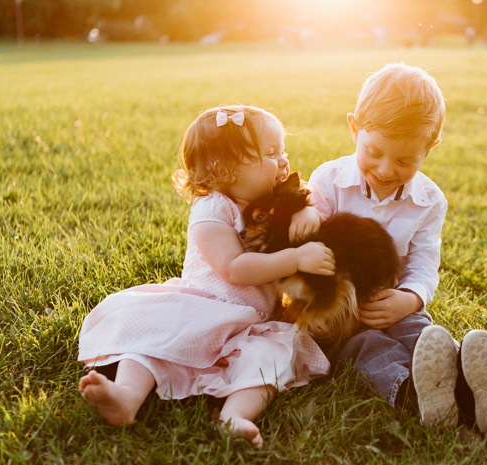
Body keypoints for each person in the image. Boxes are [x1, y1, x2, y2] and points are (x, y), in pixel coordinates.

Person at [78, 105, 335, 449]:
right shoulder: (213, 208)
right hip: (202, 307)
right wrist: (296, 257)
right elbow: (234, 268)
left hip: (249, 323)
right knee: (154, 342)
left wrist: (304, 209)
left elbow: (302, 194)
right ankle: (126, 396)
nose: (284, 161)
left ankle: (235, 416)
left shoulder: (272, 199)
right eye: (271, 153)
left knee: (270, 358)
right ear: (224, 170)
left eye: (283, 151)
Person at [295, 63, 487, 433]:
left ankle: (469, 380)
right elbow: (309, 248)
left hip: (393, 303)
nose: (385, 169)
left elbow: (426, 261)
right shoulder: (328, 182)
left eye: (405, 160)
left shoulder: (429, 200)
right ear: (354, 128)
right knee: (366, 350)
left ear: (430, 148)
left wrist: (410, 298)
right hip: (341, 314)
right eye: (374, 151)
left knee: (420, 332)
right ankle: (414, 392)